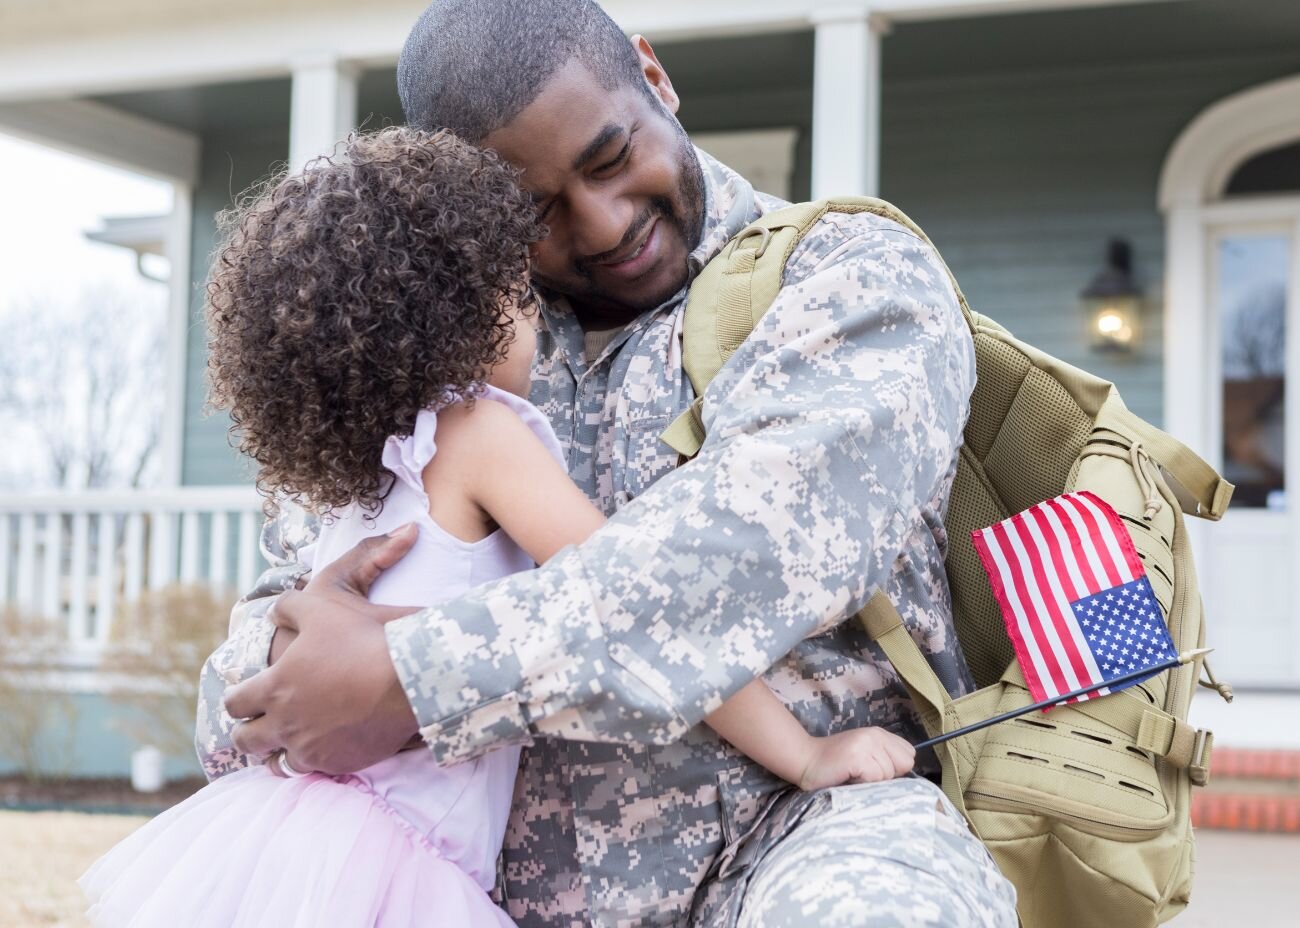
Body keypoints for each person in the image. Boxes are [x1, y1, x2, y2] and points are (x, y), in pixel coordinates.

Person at [202, 2, 1020, 925]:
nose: (600, 224)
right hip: (469, 889)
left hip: (798, 835)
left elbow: (736, 563)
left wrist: (407, 677)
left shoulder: (845, 276)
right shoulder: (442, 359)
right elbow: (258, 654)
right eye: (535, 211)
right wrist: (286, 676)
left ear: (652, 76)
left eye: (610, 158)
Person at [84, 127, 918, 928]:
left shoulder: (357, 475)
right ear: (464, 315)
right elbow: (643, 614)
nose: (535, 315)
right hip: (401, 863)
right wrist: (807, 756)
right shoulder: (481, 436)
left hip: (286, 833)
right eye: (518, 293)